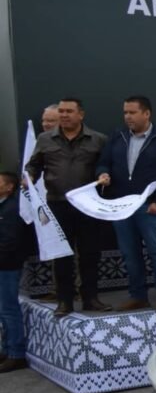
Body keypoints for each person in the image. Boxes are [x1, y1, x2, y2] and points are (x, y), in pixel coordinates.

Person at [24, 97, 111, 317]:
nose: (64, 115)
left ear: (80, 114)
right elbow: (33, 165)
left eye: (69, 111)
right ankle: (65, 301)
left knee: (90, 253)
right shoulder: (45, 139)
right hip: (57, 204)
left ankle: (91, 298)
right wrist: (29, 177)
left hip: (88, 205)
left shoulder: (98, 139)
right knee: (61, 255)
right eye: (61, 111)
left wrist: (104, 174)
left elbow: (106, 165)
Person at [96, 95, 156, 310]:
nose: (128, 117)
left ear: (146, 114)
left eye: (132, 112)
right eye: (125, 112)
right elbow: (103, 162)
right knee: (129, 253)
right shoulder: (118, 137)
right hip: (122, 208)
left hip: (150, 207)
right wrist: (103, 173)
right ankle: (138, 295)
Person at [0, 172, 33, 373]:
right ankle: (6, 349)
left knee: (9, 309)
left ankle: (16, 354)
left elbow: (10, 240)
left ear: (9, 187)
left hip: (7, 265)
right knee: (3, 310)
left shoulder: (12, 208)